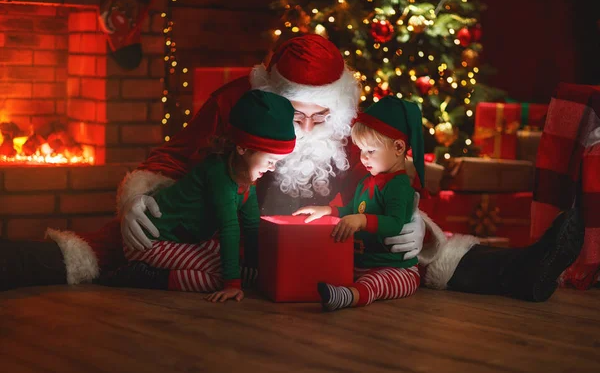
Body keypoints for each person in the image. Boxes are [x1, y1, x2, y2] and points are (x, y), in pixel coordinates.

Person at [0, 34, 584, 303]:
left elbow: (395, 185)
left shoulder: (359, 131)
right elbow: (170, 160)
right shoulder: (237, 102)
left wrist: (416, 227)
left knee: (422, 252)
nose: (305, 129)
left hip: (331, 247)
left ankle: (520, 273)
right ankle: (17, 260)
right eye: (291, 115)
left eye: (318, 117)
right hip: (217, 229)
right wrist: (138, 197)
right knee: (100, 250)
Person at [100, 90, 296, 303]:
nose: (272, 167)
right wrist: (231, 284)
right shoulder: (218, 175)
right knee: (220, 276)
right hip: (150, 241)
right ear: (242, 148)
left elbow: (251, 226)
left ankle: (244, 277)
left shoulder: (246, 179)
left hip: (183, 240)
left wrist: (262, 268)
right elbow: (229, 227)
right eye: (270, 159)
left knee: (237, 264)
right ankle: (148, 276)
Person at [294, 96, 424, 311]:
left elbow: (395, 223)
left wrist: (362, 220)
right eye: (361, 151)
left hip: (394, 269)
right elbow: (352, 211)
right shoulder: (367, 181)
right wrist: (328, 210)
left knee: (376, 284)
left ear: (399, 147)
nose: (363, 158)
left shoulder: (398, 186)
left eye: (370, 151)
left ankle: (350, 297)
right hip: (365, 263)